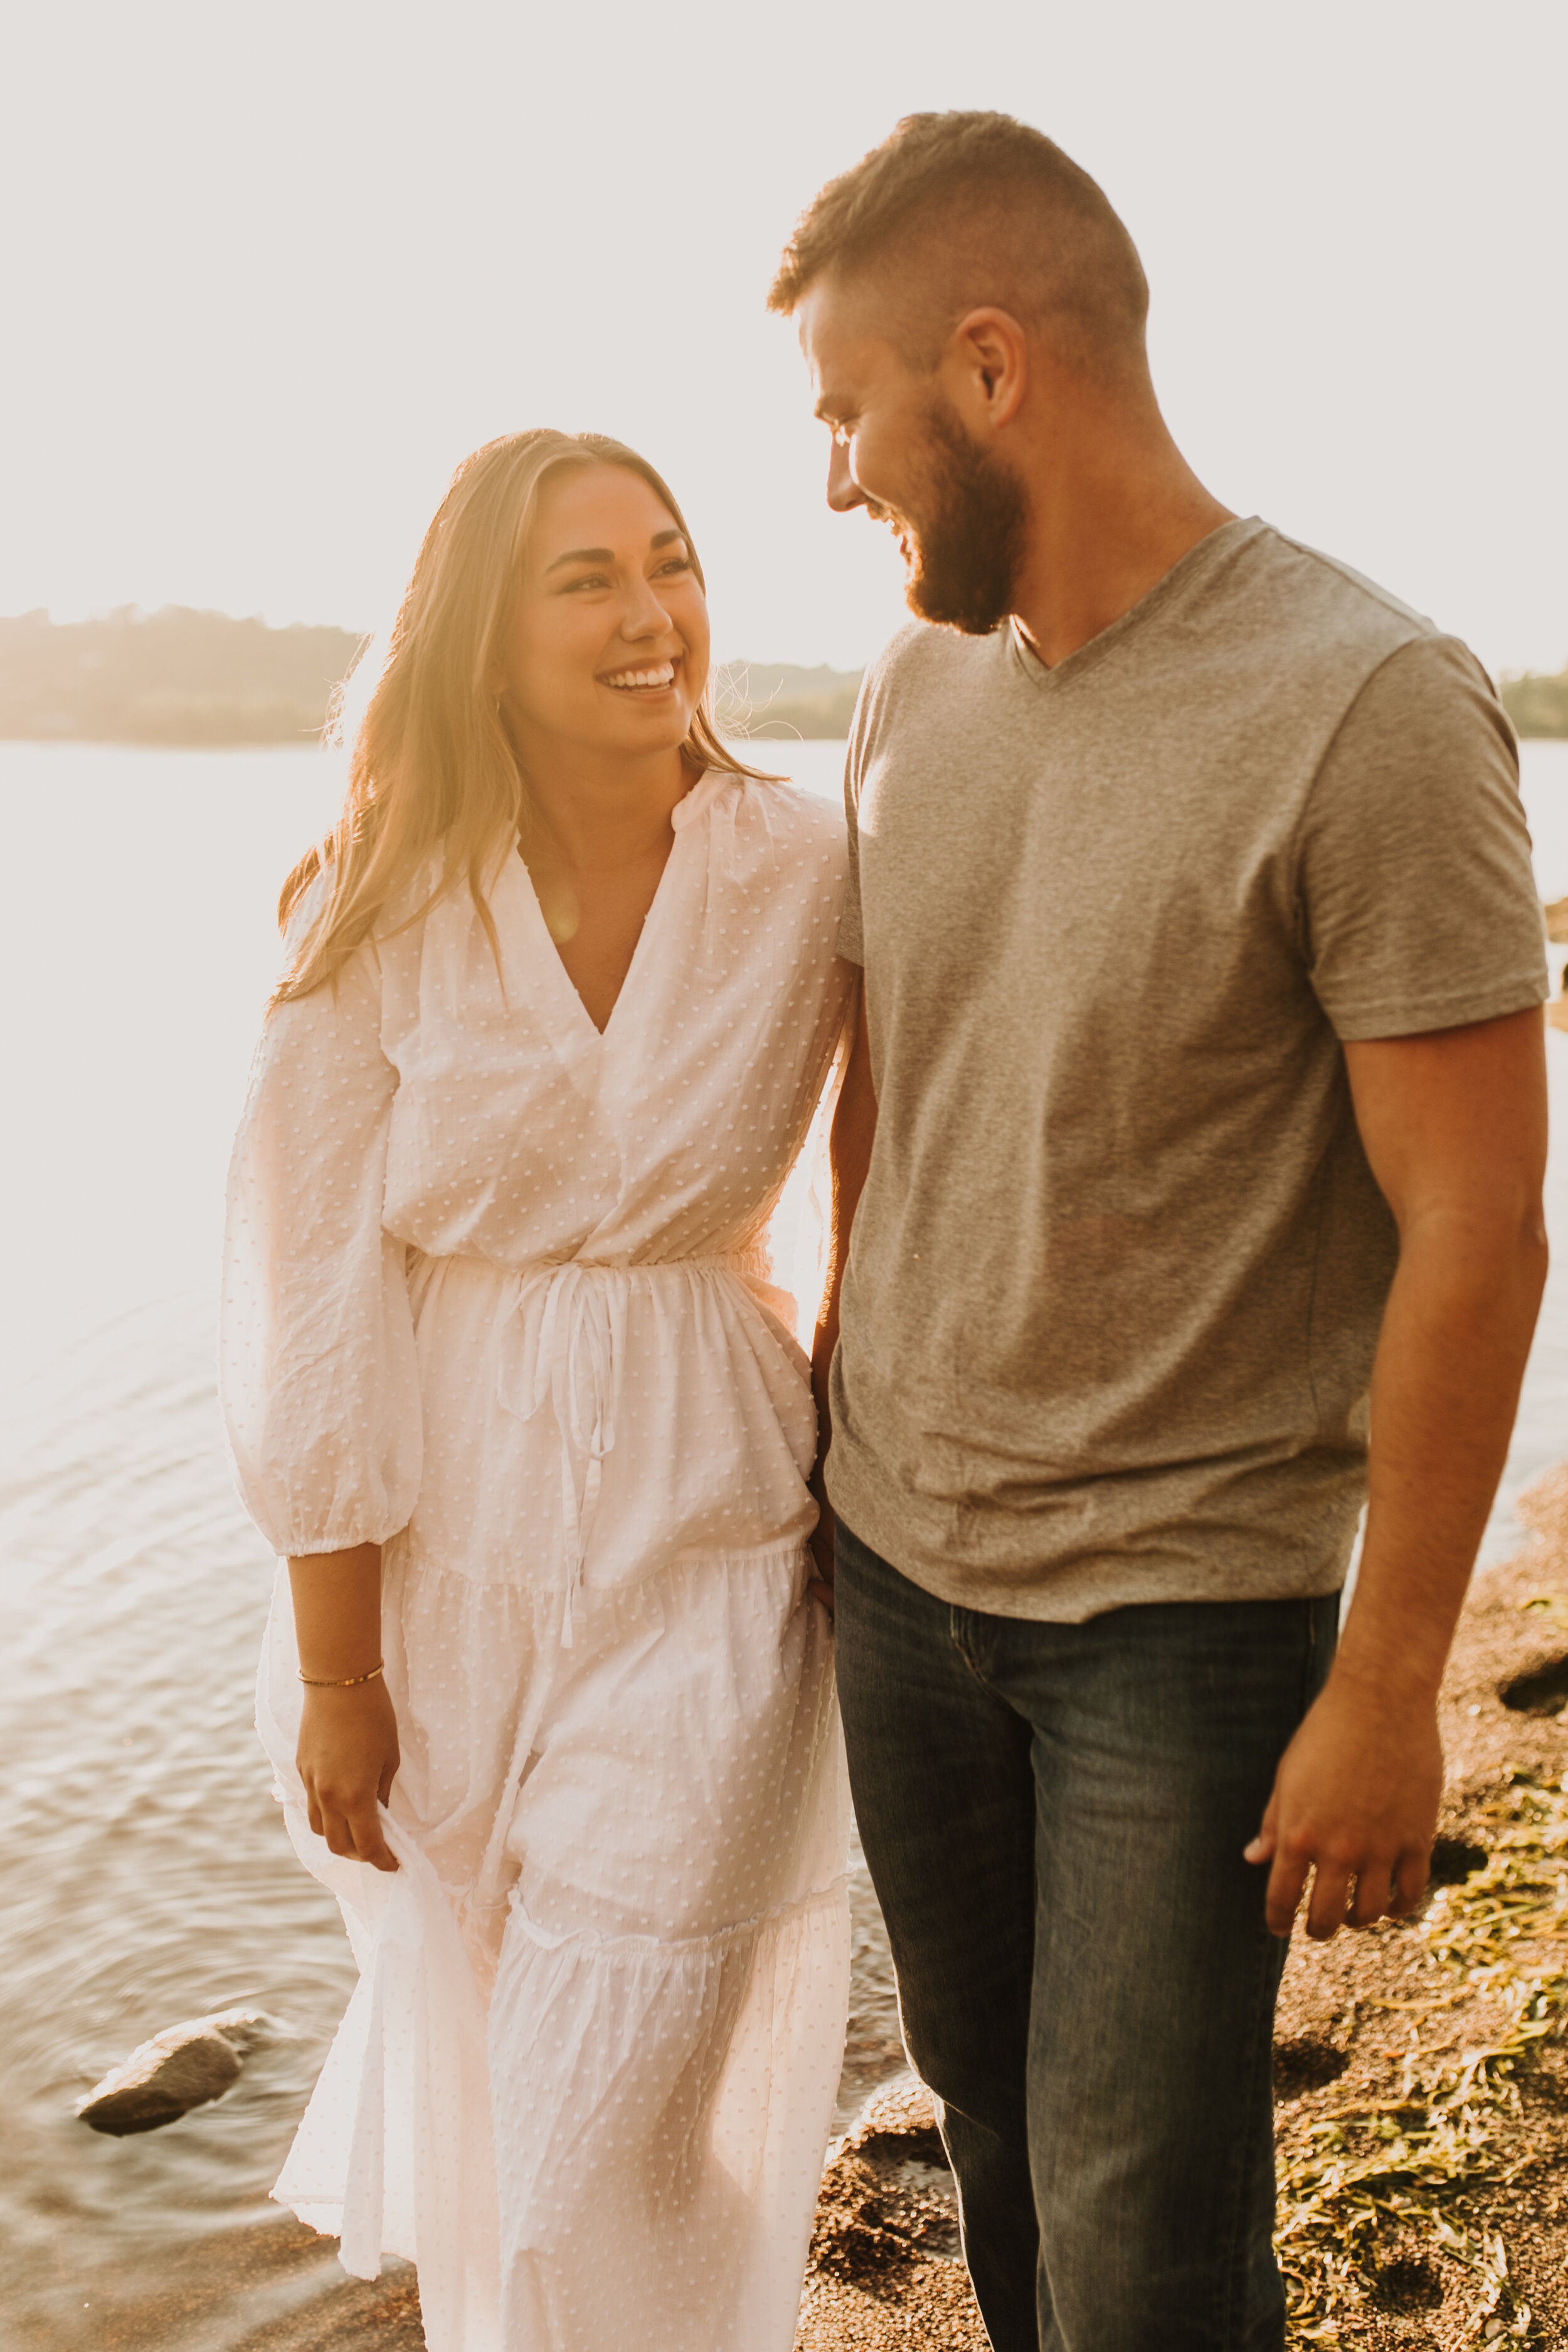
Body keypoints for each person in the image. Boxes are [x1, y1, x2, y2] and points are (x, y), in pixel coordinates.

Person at [769, 113, 1550, 2349]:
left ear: (991, 367)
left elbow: (1478, 1230)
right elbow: (882, 1106)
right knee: (995, 2145)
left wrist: (1391, 1685)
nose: (836, 479)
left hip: (1179, 1629)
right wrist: (833, 1448)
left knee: (1141, 2249)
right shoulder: (912, 691)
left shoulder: (1368, 704)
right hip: (903, 1576)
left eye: (851, 412)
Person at [220, 430, 857, 2352]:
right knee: (525, 2124)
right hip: (435, 1581)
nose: (652, 613)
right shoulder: (373, 905)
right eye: (586, 578)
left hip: (714, 1556)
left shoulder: (804, 865)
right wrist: (344, 1671)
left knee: (594, 2113)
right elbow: (311, 1297)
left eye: (667, 562)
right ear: (478, 637)